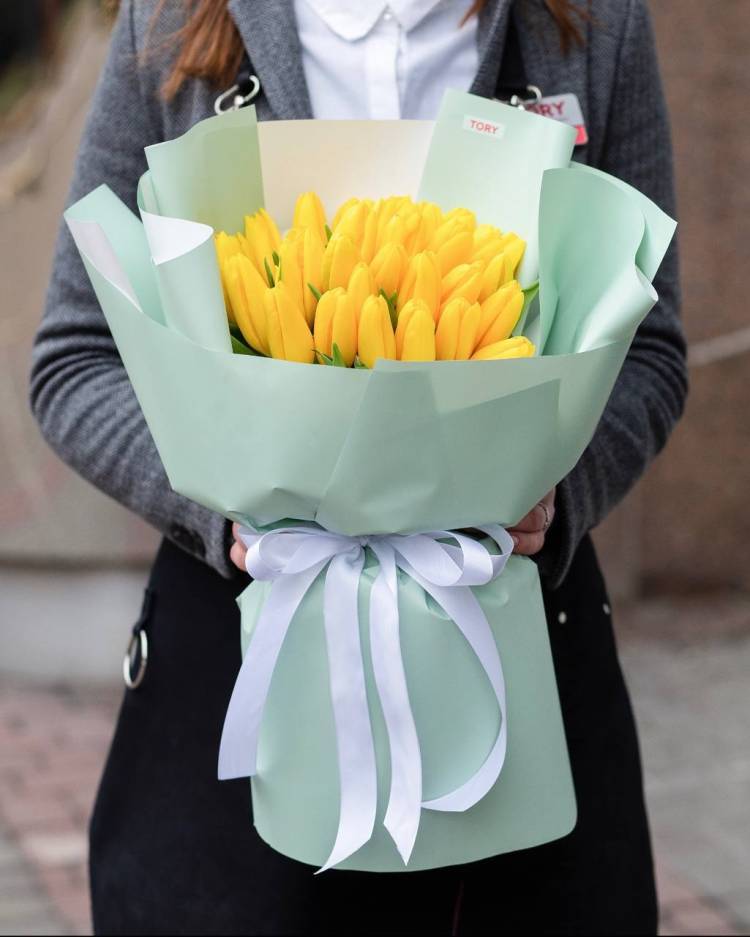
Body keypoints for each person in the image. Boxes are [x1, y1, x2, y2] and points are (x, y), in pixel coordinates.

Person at [30, 1, 687, 933]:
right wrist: (229, 510)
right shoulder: (172, 19)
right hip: (240, 666)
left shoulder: (592, 21)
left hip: (517, 648)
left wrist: (558, 492)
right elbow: (74, 361)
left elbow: (651, 349)